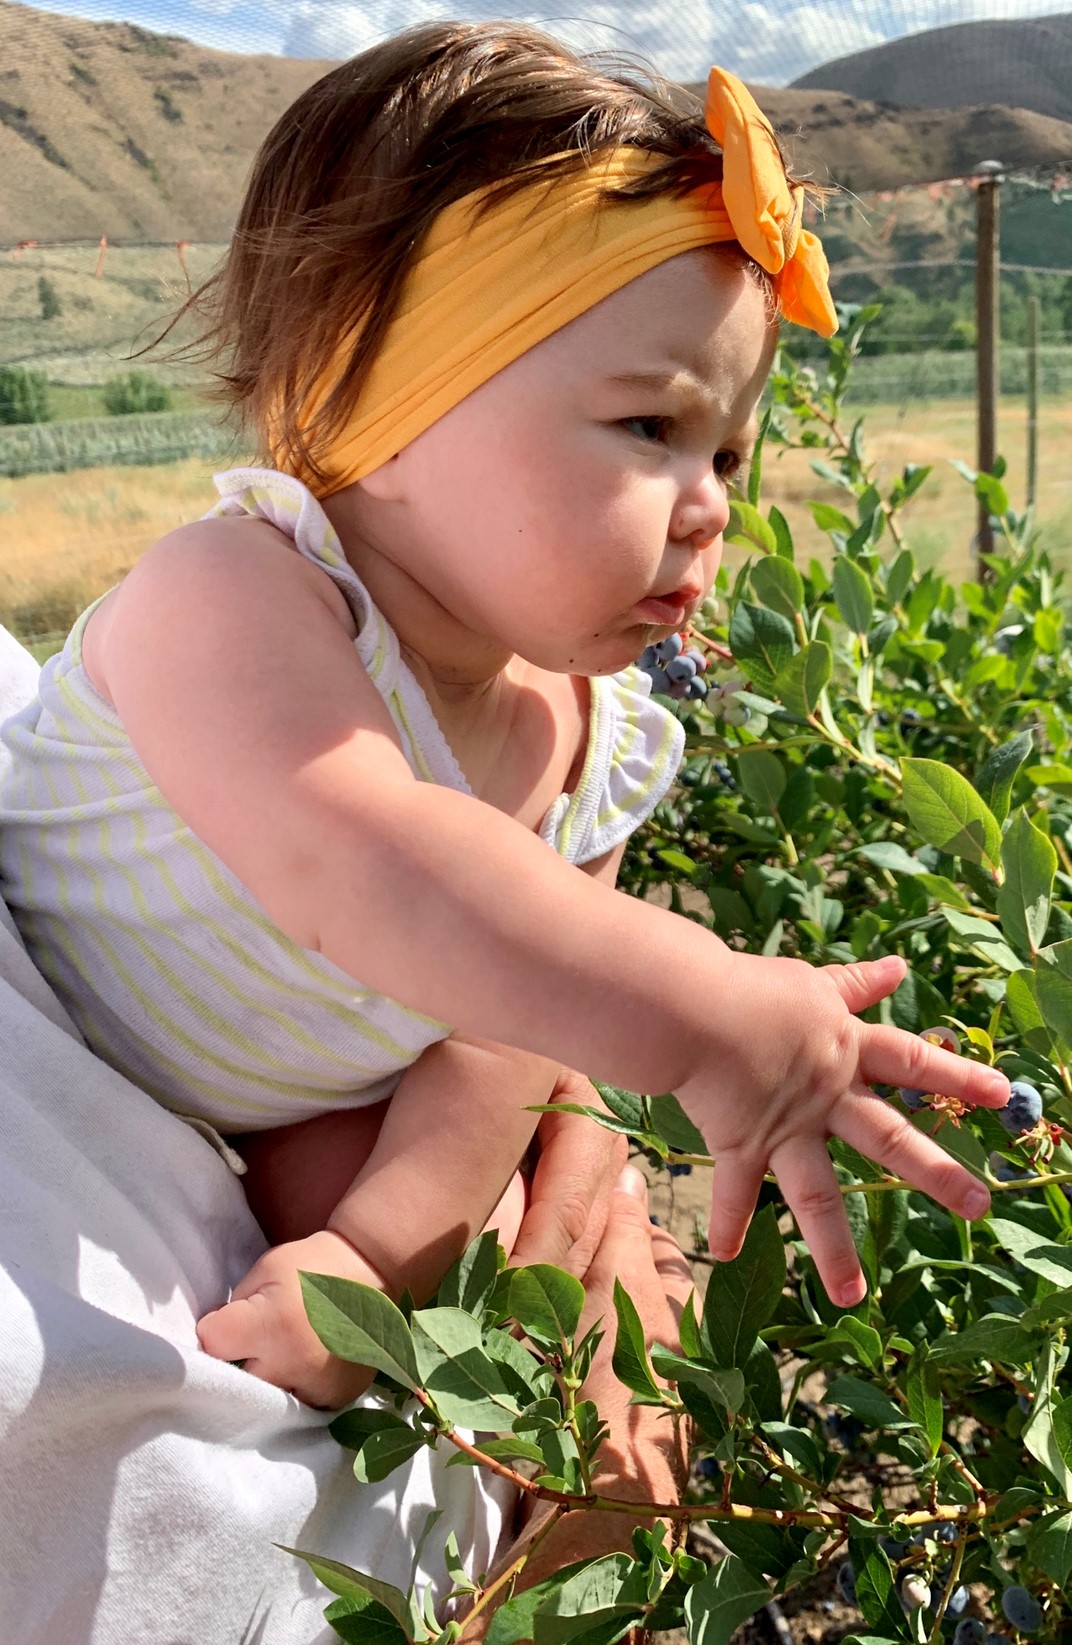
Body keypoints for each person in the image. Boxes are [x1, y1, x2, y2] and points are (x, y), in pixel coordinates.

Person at [0, 20, 1010, 1415]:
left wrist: (368, 1253)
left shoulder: (597, 736)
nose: (711, 501)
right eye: (648, 429)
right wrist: (709, 1013)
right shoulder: (235, 595)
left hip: (308, 1085)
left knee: (521, 1319)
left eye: (725, 447)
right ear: (376, 401)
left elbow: (499, 1034)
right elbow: (374, 865)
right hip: (65, 1009)